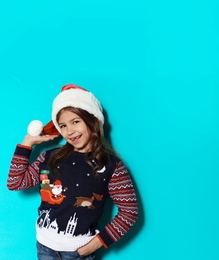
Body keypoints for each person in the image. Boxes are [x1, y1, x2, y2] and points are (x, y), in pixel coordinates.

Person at [7, 84, 138, 259]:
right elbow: (15, 183)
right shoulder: (49, 157)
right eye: (63, 125)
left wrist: (88, 249)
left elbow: (129, 212)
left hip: (78, 252)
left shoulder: (112, 167)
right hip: (45, 247)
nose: (70, 131)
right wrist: (27, 143)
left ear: (93, 120)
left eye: (75, 121)